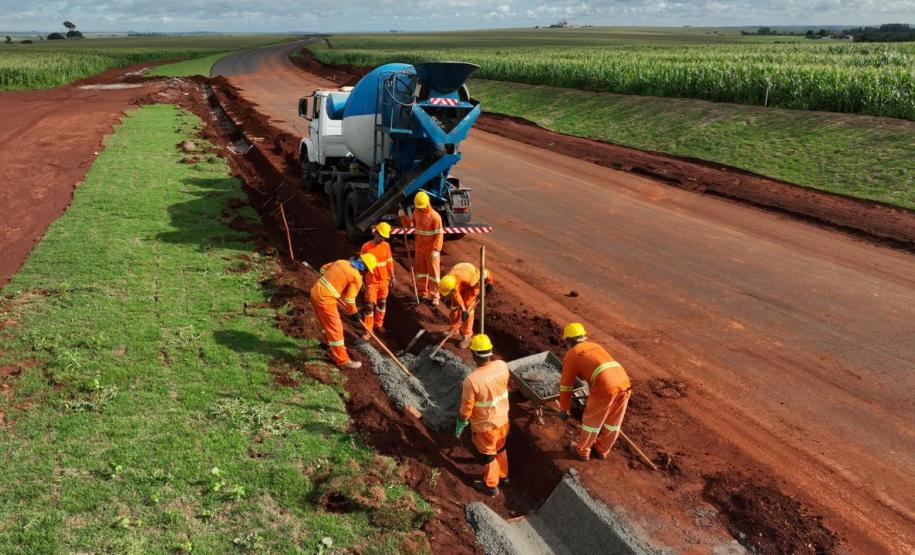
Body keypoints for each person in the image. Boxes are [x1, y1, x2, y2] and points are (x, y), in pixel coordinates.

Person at [557, 323, 632, 461]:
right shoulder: (595, 346)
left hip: (605, 387)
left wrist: (564, 408)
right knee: (613, 422)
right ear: (583, 337)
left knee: (592, 421)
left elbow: (566, 386)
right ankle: (602, 449)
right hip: (624, 383)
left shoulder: (572, 354)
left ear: (569, 340)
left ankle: (582, 451)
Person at [455, 334, 511, 496]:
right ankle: (504, 476)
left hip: (485, 426)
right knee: (501, 447)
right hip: (503, 420)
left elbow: (466, 407)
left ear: (473, 354)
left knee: (488, 455)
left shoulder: (472, 380)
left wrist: (461, 421)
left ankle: (491, 485)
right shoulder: (501, 366)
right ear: (491, 351)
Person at [309, 253, 377, 369]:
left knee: (326, 324)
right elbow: (350, 300)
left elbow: (323, 269)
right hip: (325, 300)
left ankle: (327, 344)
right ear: (365, 269)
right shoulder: (356, 277)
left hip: (315, 292)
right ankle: (343, 361)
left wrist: (333, 285)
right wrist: (354, 313)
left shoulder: (342, 262)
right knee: (336, 328)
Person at [399, 191, 443, 306]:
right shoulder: (416, 212)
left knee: (434, 275)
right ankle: (423, 293)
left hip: (431, 251)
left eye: (422, 207)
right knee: (421, 273)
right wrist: (402, 216)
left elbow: (439, 235)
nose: (421, 209)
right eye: (419, 207)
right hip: (420, 249)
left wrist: (436, 250)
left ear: (427, 204)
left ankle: (435, 296)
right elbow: (410, 225)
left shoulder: (435, 217)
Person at [438, 263, 495, 348]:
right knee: (455, 305)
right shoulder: (449, 278)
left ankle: (467, 336)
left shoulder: (473, 278)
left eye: (450, 291)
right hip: (461, 282)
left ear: (453, 287)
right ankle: (454, 329)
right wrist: (462, 309)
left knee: (468, 306)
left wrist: (490, 282)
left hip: (472, 285)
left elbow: (486, 272)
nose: (450, 293)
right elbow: (456, 295)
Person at [360, 222, 395, 338]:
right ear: (375, 233)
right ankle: (368, 330)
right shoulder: (366, 247)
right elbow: (361, 265)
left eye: (384, 237)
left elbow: (389, 262)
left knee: (382, 303)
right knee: (369, 306)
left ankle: (378, 324)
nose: (382, 238)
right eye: (381, 236)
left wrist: (393, 277)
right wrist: (360, 279)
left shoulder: (386, 246)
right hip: (371, 281)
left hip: (384, 281)